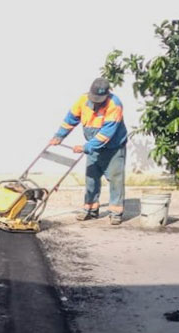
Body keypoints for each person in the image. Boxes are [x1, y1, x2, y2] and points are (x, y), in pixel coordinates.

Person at [50, 77, 128, 225]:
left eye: (100, 100)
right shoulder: (83, 100)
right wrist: (59, 136)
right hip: (94, 147)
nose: (96, 102)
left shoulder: (114, 105)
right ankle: (91, 209)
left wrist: (85, 147)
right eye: (94, 98)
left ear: (107, 95)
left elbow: (106, 134)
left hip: (113, 148)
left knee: (115, 180)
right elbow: (70, 119)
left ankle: (116, 212)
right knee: (91, 179)